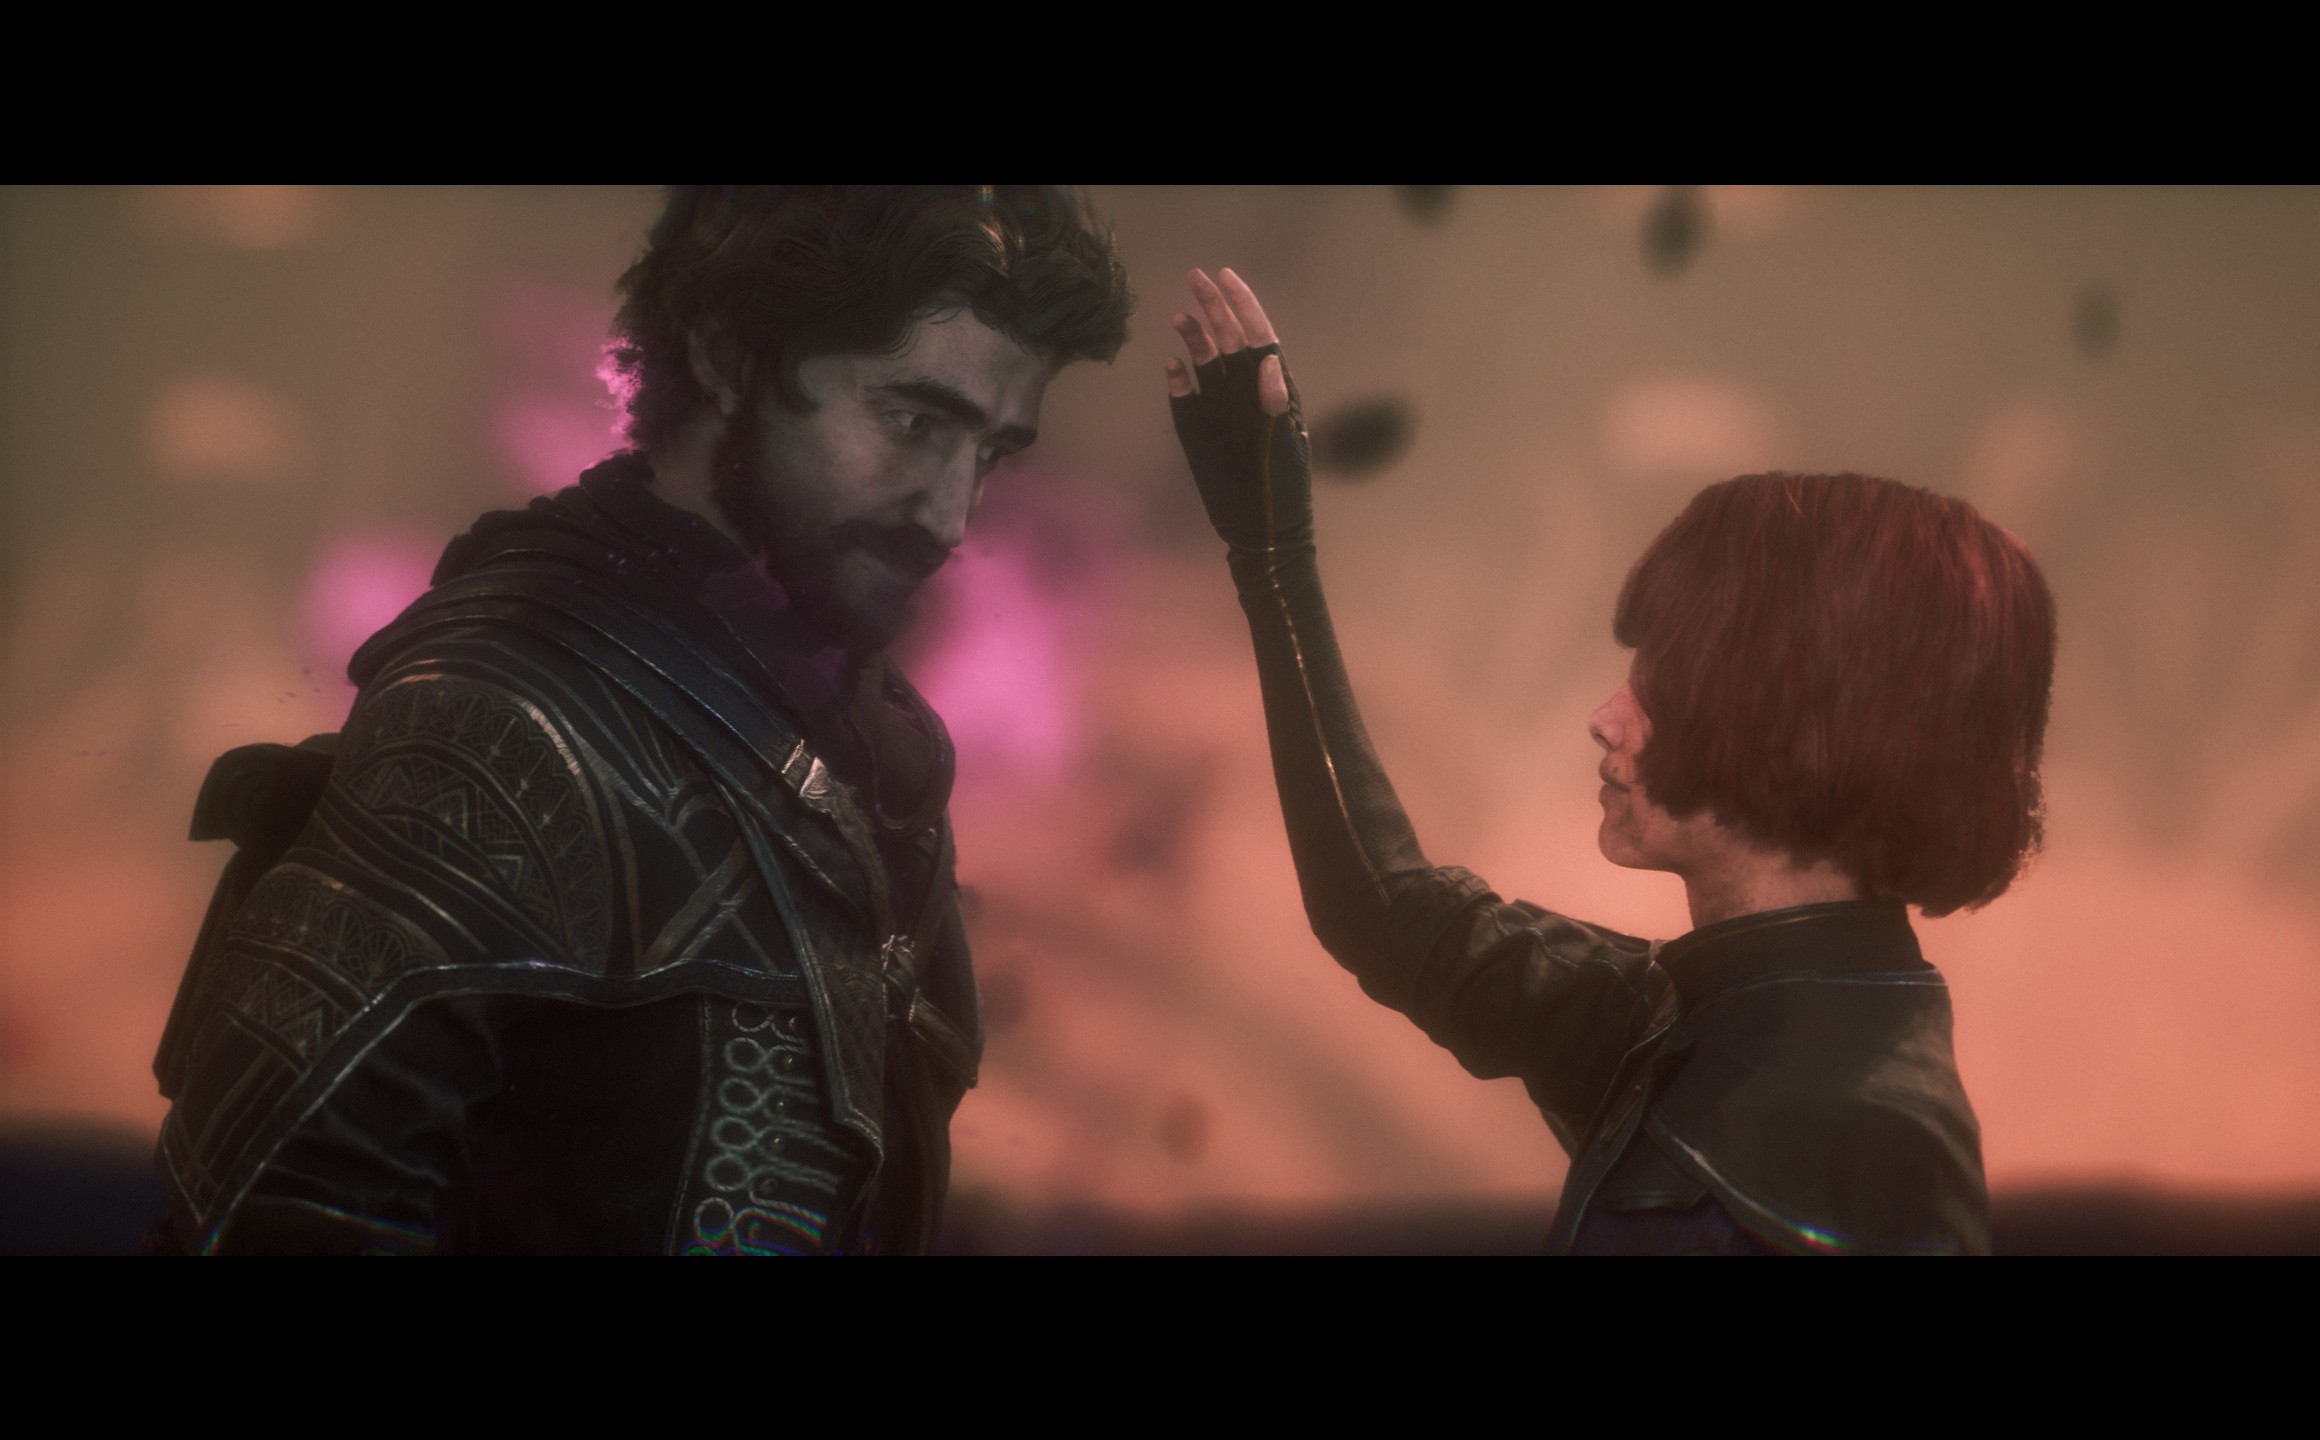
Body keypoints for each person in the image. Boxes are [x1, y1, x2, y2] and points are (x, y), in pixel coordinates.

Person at [150, 187, 1134, 1254]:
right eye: (912, 421)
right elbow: (279, 1215)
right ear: (729, 357)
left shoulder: (856, 735)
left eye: (992, 452)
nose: (950, 513)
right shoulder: (497, 720)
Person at [1166, 268, 2053, 1255]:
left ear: (1801, 713)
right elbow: (1388, 912)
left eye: (1667, 678)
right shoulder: (1702, 1019)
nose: (1606, 718)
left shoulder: (1853, 1137)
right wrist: (1270, 553)